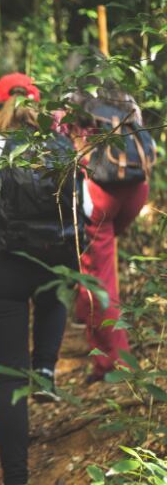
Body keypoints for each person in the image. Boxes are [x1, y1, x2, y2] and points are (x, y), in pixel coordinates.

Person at [0, 73, 88, 485]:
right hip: (54, 261)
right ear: (38, 106)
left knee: (9, 378)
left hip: (2, 266)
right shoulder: (62, 146)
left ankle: (16, 477)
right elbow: (83, 211)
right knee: (54, 290)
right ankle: (45, 367)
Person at [68, 84, 151, 383]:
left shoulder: (77, 100)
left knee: (98, 279)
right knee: (99, 273)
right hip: (137, 187)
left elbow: (67, 141)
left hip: (101, 190)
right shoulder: (125, 97)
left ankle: (114, 362)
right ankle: (93, 330)